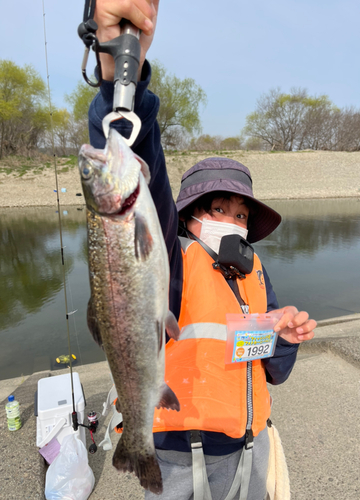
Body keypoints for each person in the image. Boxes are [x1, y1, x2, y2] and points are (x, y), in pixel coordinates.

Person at [88, 2, 316, 499]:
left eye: (241, 215)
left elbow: (271, 369)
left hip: (249, 450)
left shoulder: (255, 272)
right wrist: (118, 81)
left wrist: (285, 334)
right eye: (219, 208)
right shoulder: (172, 256)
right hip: (175, 457)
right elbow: (137, 165)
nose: (232, 221)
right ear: (188, 217)